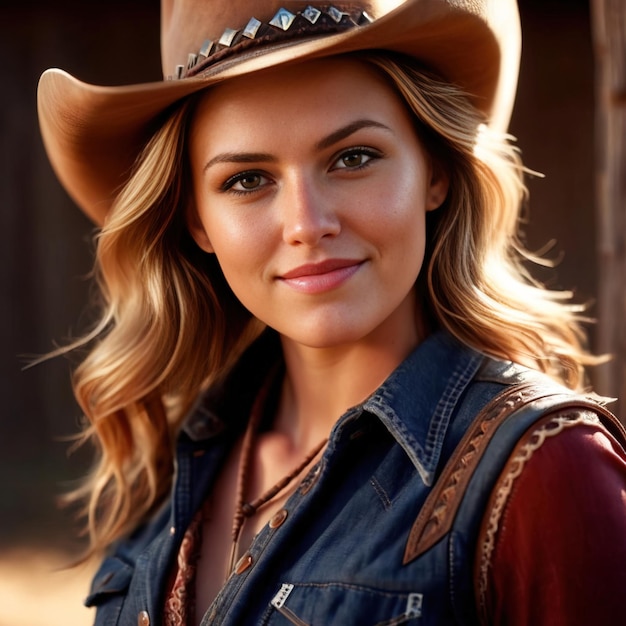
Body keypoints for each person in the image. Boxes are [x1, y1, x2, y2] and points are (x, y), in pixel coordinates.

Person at [37, 1, 626, 624]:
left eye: (353, 158)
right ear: (196, 220)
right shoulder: (175, 461)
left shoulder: (548, 471)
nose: (306, 225)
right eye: (246, 180)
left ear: (434, 171)